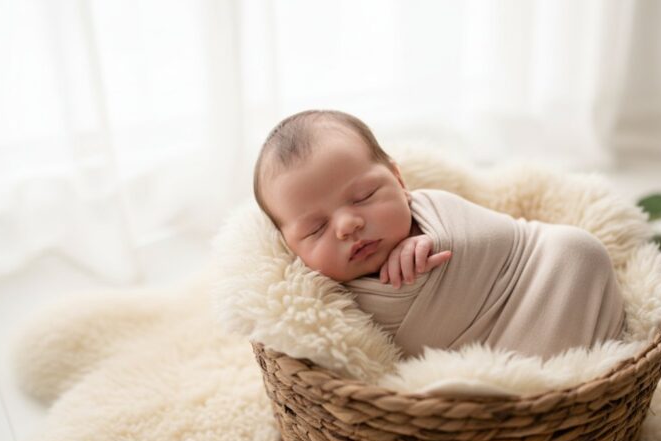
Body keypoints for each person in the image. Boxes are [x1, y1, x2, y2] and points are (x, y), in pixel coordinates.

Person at [253, 110, 626, 360]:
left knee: (579, 252)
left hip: (535, 279)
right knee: (449, 394)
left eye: (364, 196)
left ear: (399, 182)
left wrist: (438, 241)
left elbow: (507, 241)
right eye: (316, 228)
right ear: (289, 247)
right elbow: (372, 363)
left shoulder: (432, 210)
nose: (347, 225)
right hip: (476, 358)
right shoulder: (320, 298)